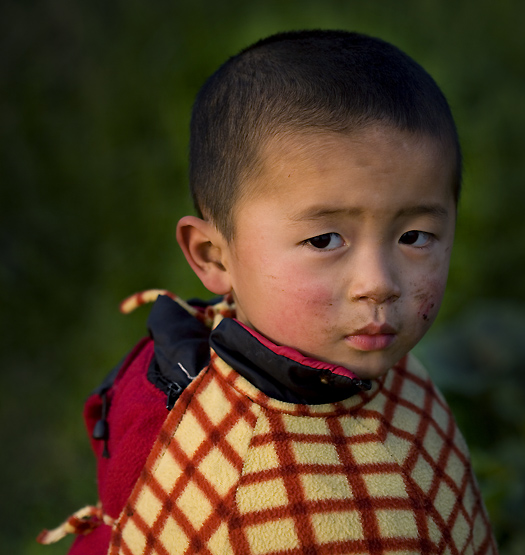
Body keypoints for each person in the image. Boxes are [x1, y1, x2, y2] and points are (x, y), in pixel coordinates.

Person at [39, 29, 499, 554]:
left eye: (414, 236)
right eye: (325, 239)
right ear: (214, 256)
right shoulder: (248, 497)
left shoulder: (357, 359)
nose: (379, 284)